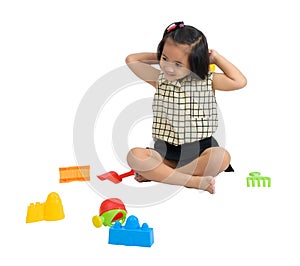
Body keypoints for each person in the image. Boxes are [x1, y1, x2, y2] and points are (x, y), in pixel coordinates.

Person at [125, 21, 247, 194]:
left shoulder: (208, 80)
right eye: (165, 59)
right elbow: (131, 59)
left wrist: (217, 58)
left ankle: (162, 175)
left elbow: (239, 81)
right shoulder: (159, 80)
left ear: (196, 62)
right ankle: (191, 181)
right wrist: (164, 54)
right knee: (134, 156)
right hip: (166, 153)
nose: (168, 67)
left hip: (201, 152)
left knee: (221, 157)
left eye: (178, 64)